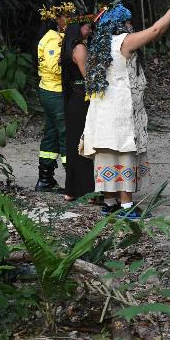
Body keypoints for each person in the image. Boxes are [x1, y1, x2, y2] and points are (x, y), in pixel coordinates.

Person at [82, 0, 170, 219]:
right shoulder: (123, 41)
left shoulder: (101, 44)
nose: (131, 25)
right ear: (120, 23)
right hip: (119, 111)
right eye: (128, 22)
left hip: (102, 112)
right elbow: (156, 30)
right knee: (124, 153)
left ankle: (110, 202)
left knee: (108, 154)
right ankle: (126, 206)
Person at [35, 2, 75, 192]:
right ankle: (73, 182)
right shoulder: (52, 40)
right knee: (66, 133)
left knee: (51, 134)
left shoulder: (59, 36)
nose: (69, 19)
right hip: (54, 92)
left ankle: (45, 179)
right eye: (66, 16)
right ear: (57, 19)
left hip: (52, 91)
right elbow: (54, 67)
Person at [60, 19, 95, 202]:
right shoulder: (80, 48)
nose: (89, 30)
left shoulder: (67, 47)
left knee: (73, 143)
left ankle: (71, 190)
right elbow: (88, 76)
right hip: (82, 97)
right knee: (84, 144)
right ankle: (87, 191)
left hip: (73, 97)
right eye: (87, 27)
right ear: (79, 29)